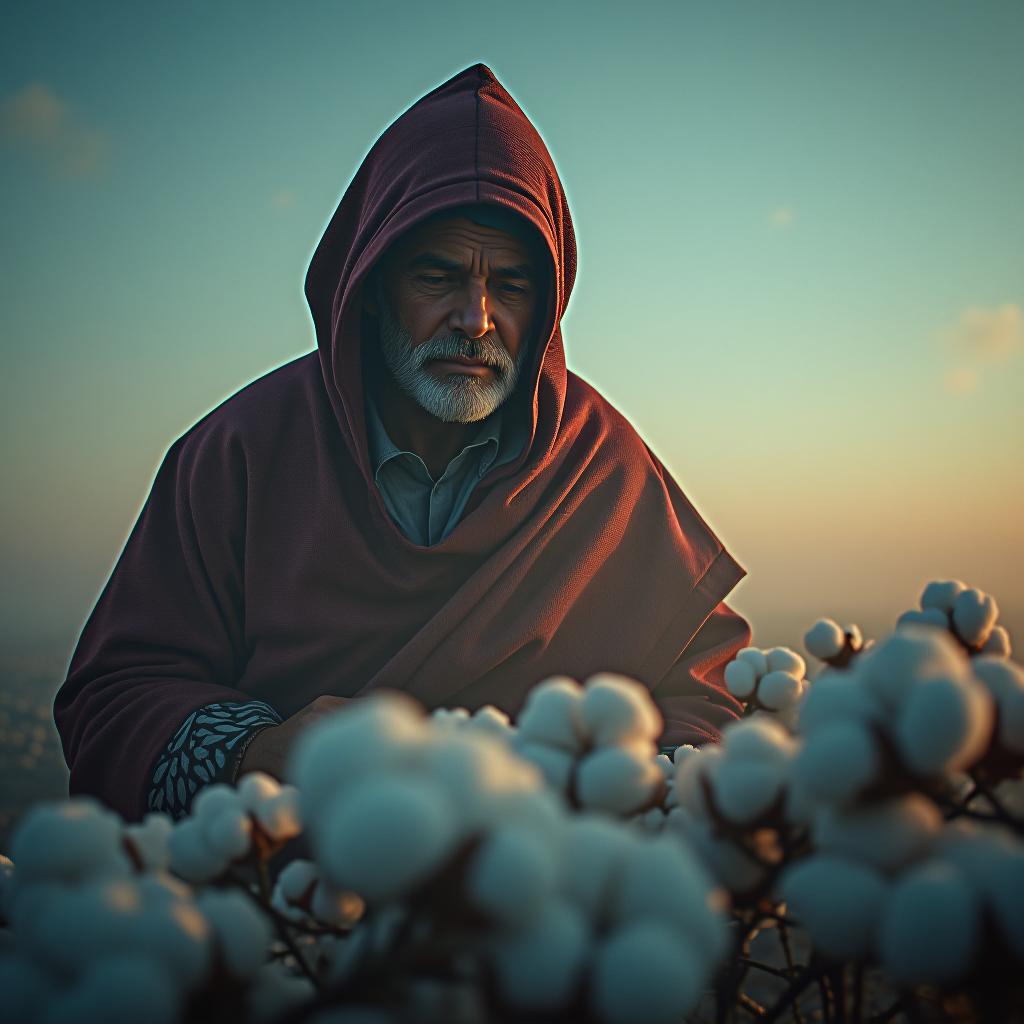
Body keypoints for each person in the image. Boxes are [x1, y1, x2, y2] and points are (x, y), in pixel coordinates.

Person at [54, 64, 751, 822]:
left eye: (511, 286)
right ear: (372, 280)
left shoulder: (602, 468)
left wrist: (606, 804)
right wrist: (257, 754)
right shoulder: (240, 453)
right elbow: (117, 694)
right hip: (282, 908)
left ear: (549, 304)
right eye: (438, 275)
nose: (476, 319)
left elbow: (708, 691)